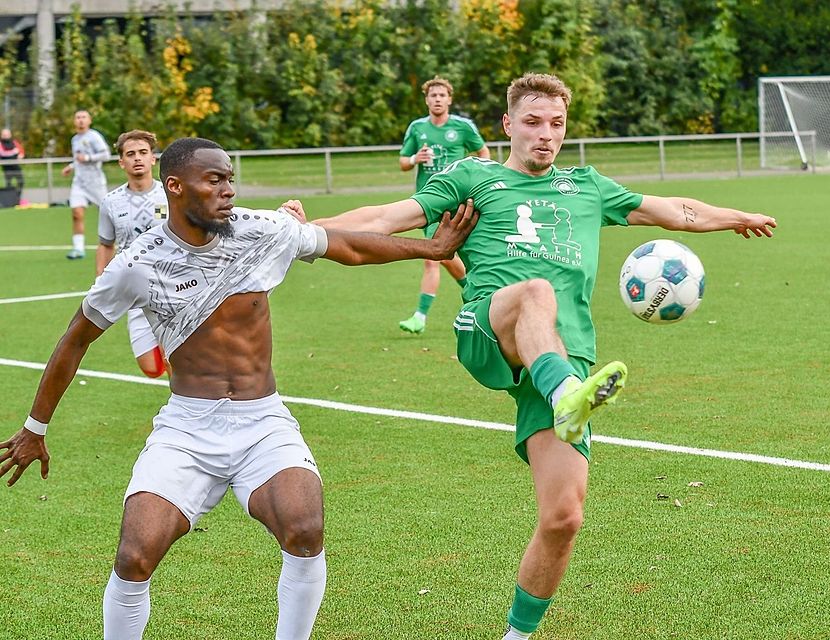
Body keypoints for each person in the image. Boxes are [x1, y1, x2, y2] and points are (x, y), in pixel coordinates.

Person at [316, 73, 776, 639]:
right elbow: (387, 218)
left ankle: (516, 636)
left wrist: (739, 217)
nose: (546, 135)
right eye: (533, 123)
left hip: (565, 357)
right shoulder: (473, 177)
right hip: (489, 324)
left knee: (563, 517)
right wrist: (299, 231)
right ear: (508, 125)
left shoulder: (588, 187)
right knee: (536, 291)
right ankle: (565, 396)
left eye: (556, 124)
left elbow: (677, 210)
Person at [0, 137, 477, 640]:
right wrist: (35, 427)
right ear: (176, 187)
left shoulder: (262, 230)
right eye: (215, 180)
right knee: (134, 554)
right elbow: (74, 342)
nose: (228, 191)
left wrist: (433, 248)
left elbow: (349, 246)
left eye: (230, 178)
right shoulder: (137, 264)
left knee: (305, 527)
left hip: (262, 421)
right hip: (186, 427)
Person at [397, 75, 490, 335]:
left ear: (449, 99)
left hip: (458, 202)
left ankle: (421, 316)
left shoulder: (463, 127)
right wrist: (416, 157)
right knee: (437, 258)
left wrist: (479, 178)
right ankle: (470, 297)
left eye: (442, 95)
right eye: (433, 95)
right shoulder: (417, 128)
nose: (437, 99)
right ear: (427, 100)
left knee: (441, 257)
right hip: (430, 200)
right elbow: (403, 162)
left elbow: (483, 152)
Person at [96, 129, 170, 378]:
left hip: (172, 285)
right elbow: (106, 245)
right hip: (135, 291)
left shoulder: (171, 195)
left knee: (177, 361)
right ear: (121, 162)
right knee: (150, 368)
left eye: (143, 152)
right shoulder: (111, 201)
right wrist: (101, 283)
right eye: (130, 154)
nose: (137, 158)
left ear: (153, 158)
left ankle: (187, 411)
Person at [61, 109, 110, 260]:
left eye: (83, 117)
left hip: (95, 183)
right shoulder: (75, 139)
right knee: (76, 213)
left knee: (108, 214)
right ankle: (78, 249)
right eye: (78, 117)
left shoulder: (94, 136)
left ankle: (117, 243)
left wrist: (88, 157)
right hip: (79, 183)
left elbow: (106, 155)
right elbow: (78, 158)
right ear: (74, 121)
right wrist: (71, 166)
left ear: (89, 121)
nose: (80, 120)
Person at [0, 128, 25, 198]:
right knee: (9, 184)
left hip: (16, 166)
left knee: (21, 182)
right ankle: (10, 199)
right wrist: (13, 152)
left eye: (7, 134)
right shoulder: (0, 144)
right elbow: (2, 153)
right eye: (4, 135)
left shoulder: (14, 142)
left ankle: (17, 197)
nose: (5, 136)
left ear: (10, 135)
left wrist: (21, 155)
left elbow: (21, 150)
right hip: (7, 167)